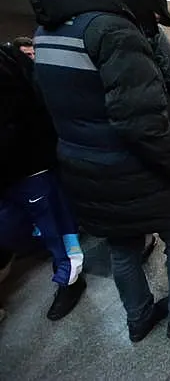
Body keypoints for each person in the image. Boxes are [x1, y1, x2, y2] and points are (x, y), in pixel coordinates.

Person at [31, 0, 170, 342]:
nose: (153, 24)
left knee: (122, 243)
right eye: (153, 15)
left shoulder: (48, 31)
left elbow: (50, 104)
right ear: (138, 0)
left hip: (83, 168)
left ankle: (138, 319)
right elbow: (142, 122)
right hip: (130, 168)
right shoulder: (114, 32)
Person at [0, 42, 85, 321]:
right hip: (15, 170)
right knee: (17, 229)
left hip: (28, 166)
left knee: (57, 230)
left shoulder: (9, 62)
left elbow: (17, 117)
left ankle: (69, 280)